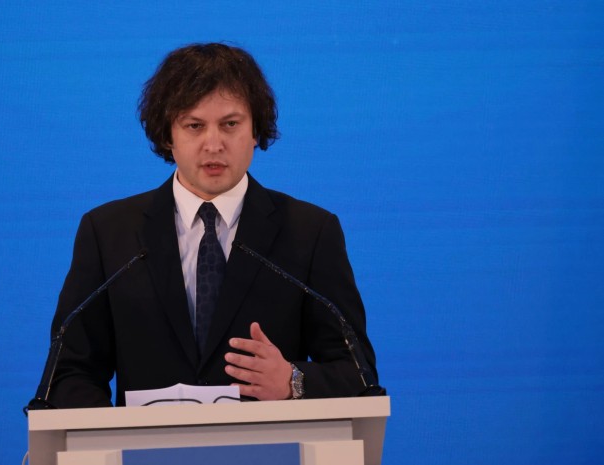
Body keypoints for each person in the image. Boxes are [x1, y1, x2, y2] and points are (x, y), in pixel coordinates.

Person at [47, 43, 378, 408]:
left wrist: (293, 382)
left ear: (255, 130)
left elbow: (358, 375)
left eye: (230, 124)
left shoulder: (309, 232)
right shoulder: (109, 233)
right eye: (194, 126)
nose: (214, 144)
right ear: (168, 135)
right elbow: (70, 372)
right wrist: (107, 435)